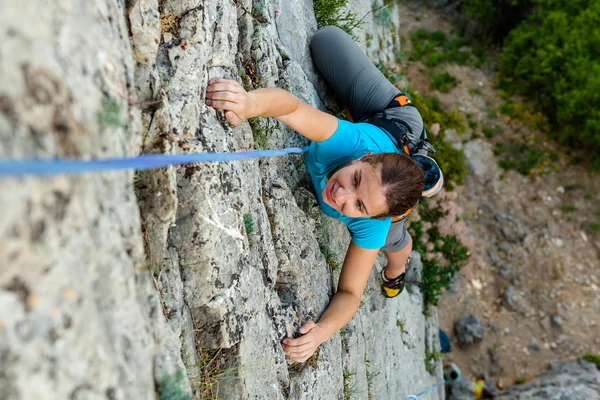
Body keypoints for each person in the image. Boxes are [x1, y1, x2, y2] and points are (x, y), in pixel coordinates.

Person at [205, 26, 443, 363]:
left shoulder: (375, 225)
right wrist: (249, 103)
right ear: (364, 158)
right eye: (356, 178)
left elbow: (349, 292)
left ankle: (397, 268)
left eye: (358, 206)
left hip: (390, 190)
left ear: (372, 216)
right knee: (326, 40)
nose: (342, 194)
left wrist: (322, 331)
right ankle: (413, 159)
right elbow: (289, 108)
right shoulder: (347, 142)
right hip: (396, 122)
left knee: (396, 243)